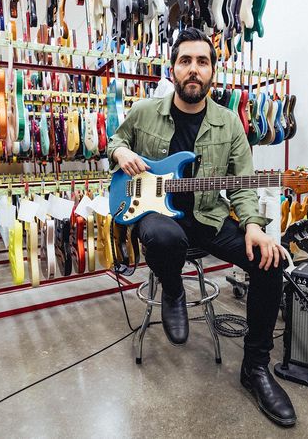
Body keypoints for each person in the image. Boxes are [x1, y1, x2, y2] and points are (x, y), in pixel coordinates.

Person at [106, 28, 296, 427]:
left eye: (202, 62)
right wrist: (121, 151)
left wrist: (253, 226)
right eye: (185, 61)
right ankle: (173, 289)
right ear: (173, 69)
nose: (194, 69)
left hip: (208, 216)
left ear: (212, 71)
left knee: (271, 262)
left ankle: (255, 368)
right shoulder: (144, 111)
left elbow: (242, 184)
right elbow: (115, 140)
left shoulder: (229, 124)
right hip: (155, 215)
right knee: (164, 237)